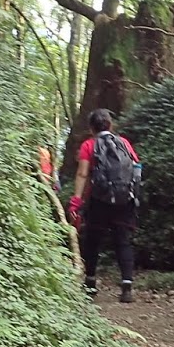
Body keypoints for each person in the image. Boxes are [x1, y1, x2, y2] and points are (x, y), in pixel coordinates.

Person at [69, 109, 142, 302]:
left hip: (98, 199)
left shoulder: (88, 145)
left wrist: (76, 201)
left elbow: (83, 173)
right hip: (124, 200)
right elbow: (136, 167)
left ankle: (90, 283)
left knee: (93, 240)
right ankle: (127, 287)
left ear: (91, 128)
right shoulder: (124, 143)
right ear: (111, 125)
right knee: (123, 240)